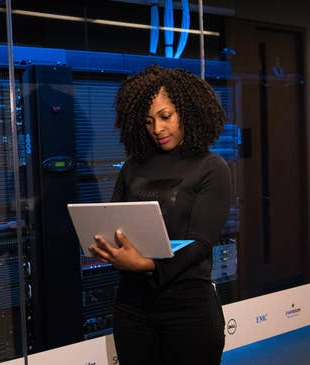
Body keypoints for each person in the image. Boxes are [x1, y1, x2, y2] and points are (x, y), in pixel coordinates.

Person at [88, 65, 231, 365]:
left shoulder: (212, 167)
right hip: (132, 309)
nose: (157, 129)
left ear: (188, 112)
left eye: (166, 117)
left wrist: (147, 264)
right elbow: (114, 222)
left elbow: (200, 243)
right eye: (149, 121)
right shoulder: (132, 169)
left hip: (189, 309)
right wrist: (105, 246)